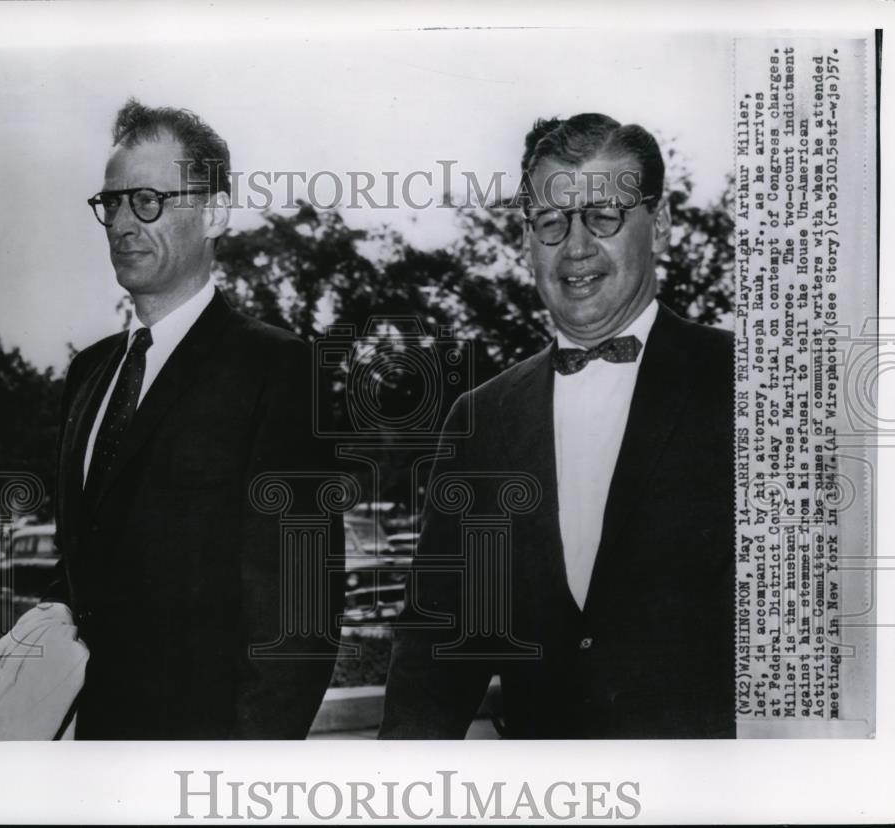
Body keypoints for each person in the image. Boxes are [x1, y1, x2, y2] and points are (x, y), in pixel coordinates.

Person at [380, 113, 735, 739]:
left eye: (604, 215)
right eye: (550, 222)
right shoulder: (481, 419)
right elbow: (437, 650)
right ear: (525, 244)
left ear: (662, 225)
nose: (575, 247)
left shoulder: (751, 387)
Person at [46, 99, 343, 739]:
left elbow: (299, 615)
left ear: (213, 212)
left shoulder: (278, 370)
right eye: (112, 202)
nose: (124, 222)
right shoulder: (89, 375)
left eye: (148, 200)